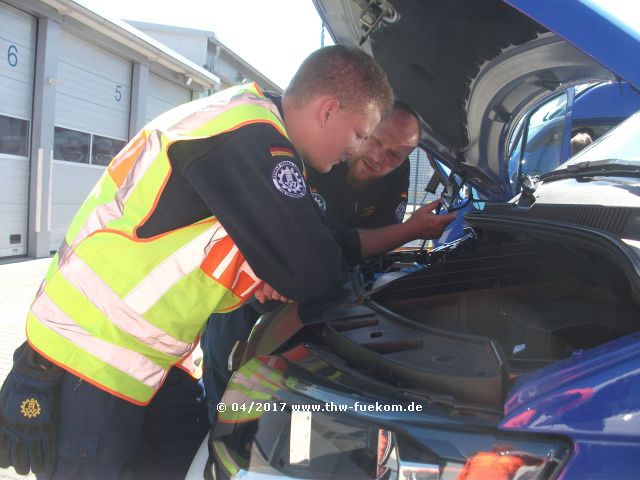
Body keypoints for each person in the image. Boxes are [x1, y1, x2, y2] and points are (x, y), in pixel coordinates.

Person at [0, 45, 394, 479]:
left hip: (139, 363)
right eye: (360, 133)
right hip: (89, 359)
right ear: (328, 110)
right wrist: (294, 272)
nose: (357, 150)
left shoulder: (242, 130)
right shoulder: (249, 135)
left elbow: (238, 262)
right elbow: (316, 271)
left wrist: (266, 280)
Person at [201, 102, 456, 421]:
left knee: (307, 393)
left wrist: (394, 234)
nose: (380, 158)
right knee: (229, 378)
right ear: (360, 129)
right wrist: (409, 230)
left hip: (327, 288)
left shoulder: (395, 170)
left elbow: (365, 244)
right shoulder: (316, 151)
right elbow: (336, 240)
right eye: (375, 141)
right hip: (256, 285)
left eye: (395, 154)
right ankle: (219, 435)